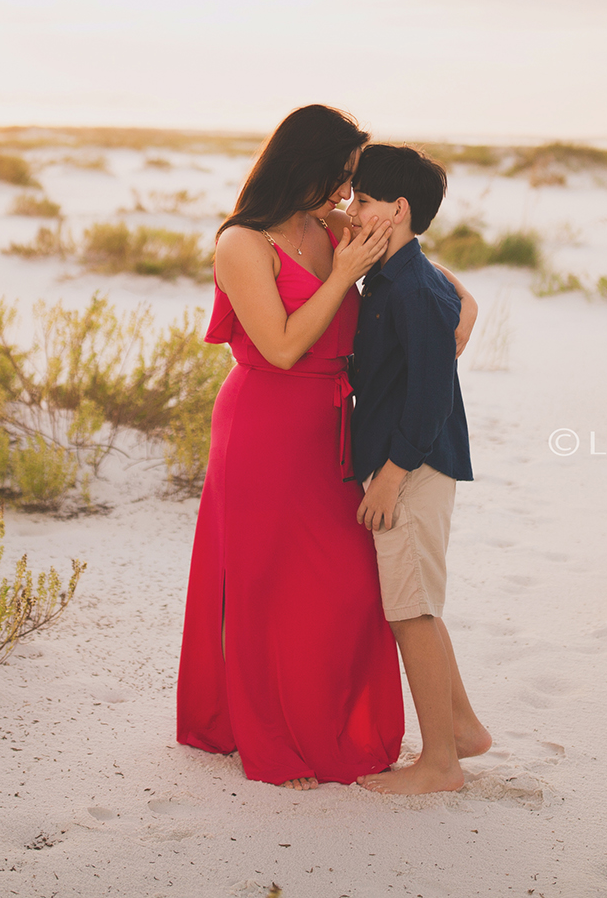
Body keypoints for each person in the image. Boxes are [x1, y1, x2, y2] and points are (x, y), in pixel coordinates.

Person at [175, 106, 476, 790]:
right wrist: (343, 275)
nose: (346, 193)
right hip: (265, 425)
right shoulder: (241, 244)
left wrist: (459, 310)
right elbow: (279, 346)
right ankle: (274, 736)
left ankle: (340, 723)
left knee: (349, 585)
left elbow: (437, 288)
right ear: (303, 166)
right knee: (265, 581)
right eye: (340, 177)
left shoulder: (329, 226)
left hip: (338, 425)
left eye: (352, 182)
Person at [345, 143, 491, 795]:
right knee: (420, 602)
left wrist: (391, 475)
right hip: (409, 464)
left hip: (415, 467)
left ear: (397, 210)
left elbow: (431, 397)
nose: (351, 211)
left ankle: (440, 764)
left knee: (410, 612)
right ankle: (460, 728)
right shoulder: (394, 276)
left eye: (362, 200)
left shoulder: (413, 288)